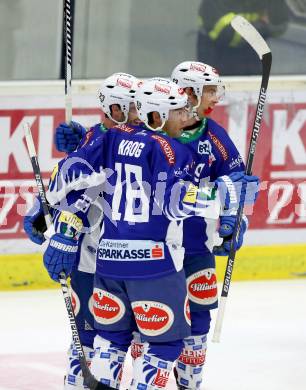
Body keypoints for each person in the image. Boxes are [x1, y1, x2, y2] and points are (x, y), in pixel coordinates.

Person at [41, 77, 259, 389]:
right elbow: (176, 202)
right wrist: (227, 194)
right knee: (166, 344)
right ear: (156, 115)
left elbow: (62, 185)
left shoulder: (110, 138)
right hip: (154, 264)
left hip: (109, 262)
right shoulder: (171, 149)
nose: (185, 117)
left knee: (109, 338)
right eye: (177, 111)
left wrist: (61, 225)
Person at [23, 72, 140, 389]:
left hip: (139, 261)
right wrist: (41, 211)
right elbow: (69, 189)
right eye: (132, 107)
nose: (139, 113)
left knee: (142, 341)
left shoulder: (145, 142)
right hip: (92, 260)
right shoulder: (95, 142)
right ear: (114, 109)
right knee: (90, 339)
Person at [196, 0, 289, 75]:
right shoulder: (214, 3)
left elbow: (279, 24)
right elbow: (228, 34)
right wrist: (263, 24)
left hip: (253, 72)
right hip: (219, 75)